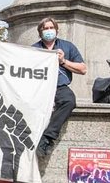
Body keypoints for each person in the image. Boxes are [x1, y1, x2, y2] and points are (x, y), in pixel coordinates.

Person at [31, 17, 86, 158]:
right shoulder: (34, 49)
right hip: (40, 87)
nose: (49, 31)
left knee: (69, 101)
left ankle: (47, 138)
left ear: (56, 30)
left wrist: (63, 61)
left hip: (59, 87)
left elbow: (83, 69)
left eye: (51, 28)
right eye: (45, 28)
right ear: (40, 32)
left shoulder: (67, 46)